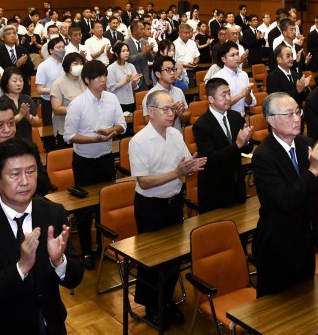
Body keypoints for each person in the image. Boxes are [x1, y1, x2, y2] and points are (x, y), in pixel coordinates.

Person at [0, 138, 83, 335]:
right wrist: (20, 268)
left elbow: (75, 278)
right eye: (15, 174)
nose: (25, 181)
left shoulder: (53, 213)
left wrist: (59, 262)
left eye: (31, 171)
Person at [252, 91, 318, 296]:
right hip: (278, 245)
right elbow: (287, 201)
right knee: (278, 308)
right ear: (271, 120)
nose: (296, 118)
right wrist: (314, 170)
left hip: (306, 241)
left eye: (298, 112)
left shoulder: (305, 144)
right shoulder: (264, 156)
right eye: (289, 114)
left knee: (308, 302)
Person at [130, 90, 206, 326]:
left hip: (174, 203)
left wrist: (191, 167)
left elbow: (184, 164)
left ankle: (165, 299)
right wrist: (177, 173)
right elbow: (144, 181)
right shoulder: (139, 141)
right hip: (150, 207)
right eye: (165, 109)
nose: (171, 113)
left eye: (172, 109)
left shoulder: (174, 134)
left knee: (174, 257)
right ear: (151, 111)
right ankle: (151, 305)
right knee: (152, 259)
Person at [63, 60, 125, 268]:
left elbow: (122, 125)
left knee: (104, 205)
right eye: (98, 77)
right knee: (83, 210)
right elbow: (69, 136)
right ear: (87, 80)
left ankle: (103, 246)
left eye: (104, 75)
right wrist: (94, 139)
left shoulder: (112, 98)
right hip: (84, 162)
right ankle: (86, 251)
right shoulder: (77, 104)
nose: (103, 80)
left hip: (106, 159)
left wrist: (111, 131)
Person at [193, 78, 253, 213]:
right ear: (211, 99)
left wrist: (247, 140)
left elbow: (247, 149)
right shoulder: (201, 125)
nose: (228, 98)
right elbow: (211, 159)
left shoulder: (236, 117)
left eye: (229, 93)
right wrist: (237, 144)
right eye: (223, 95)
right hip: (216, 190)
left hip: (237, 185)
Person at [50, 52, 86, 148]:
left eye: (81, 63)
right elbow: (56, 109)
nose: (79, 66)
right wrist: (79, 110)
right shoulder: (58, 84)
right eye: (75, 64)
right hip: (66, 130)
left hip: (84, 129)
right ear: (67, 66)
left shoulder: (84, 81)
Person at [0, 67, 41, 142]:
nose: (19, 84)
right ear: (6, 83)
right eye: (14, 81)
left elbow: (37, 123)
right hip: (9, 143)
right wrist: (20, 115)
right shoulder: (0, 102)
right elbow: (2, 126)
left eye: (21, 80)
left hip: (27, 142)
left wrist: (29, 117)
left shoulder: (27, 99)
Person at [212, 42, 254, 116]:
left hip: (242, 116)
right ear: (224, 59)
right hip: (225, 118)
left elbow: (249, 103)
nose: (237, 58)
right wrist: (241, 95)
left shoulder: (243, 75)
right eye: (232, 55)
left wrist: (247, 95)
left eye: (237, 54)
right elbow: (220, 105)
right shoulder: (218, 78)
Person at [107, 41, 141, 113]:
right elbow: (111, 87)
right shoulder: (111, 68)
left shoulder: (131, 66)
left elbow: (134, 87)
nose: (126, 53)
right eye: (123, 51)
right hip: (118, 102)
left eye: (127, 50)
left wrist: (134, 81)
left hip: (130, 101)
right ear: (116, 54)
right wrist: (126, 81)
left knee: (131, 119)